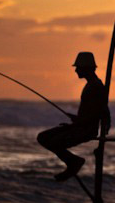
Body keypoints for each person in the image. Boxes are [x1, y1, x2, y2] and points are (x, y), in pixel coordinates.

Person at [37, 52, 111, 181]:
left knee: (54, 142)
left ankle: (74, 162)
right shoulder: (92, 85)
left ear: (86, 68)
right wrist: (75, 122)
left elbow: (96, 114)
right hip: (79, 126)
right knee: (42, 137)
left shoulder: (96, 87)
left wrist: (77, 122)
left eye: (78, 67)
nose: (76, 70)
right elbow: (95, 112)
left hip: (86, 130)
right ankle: (73, 162)